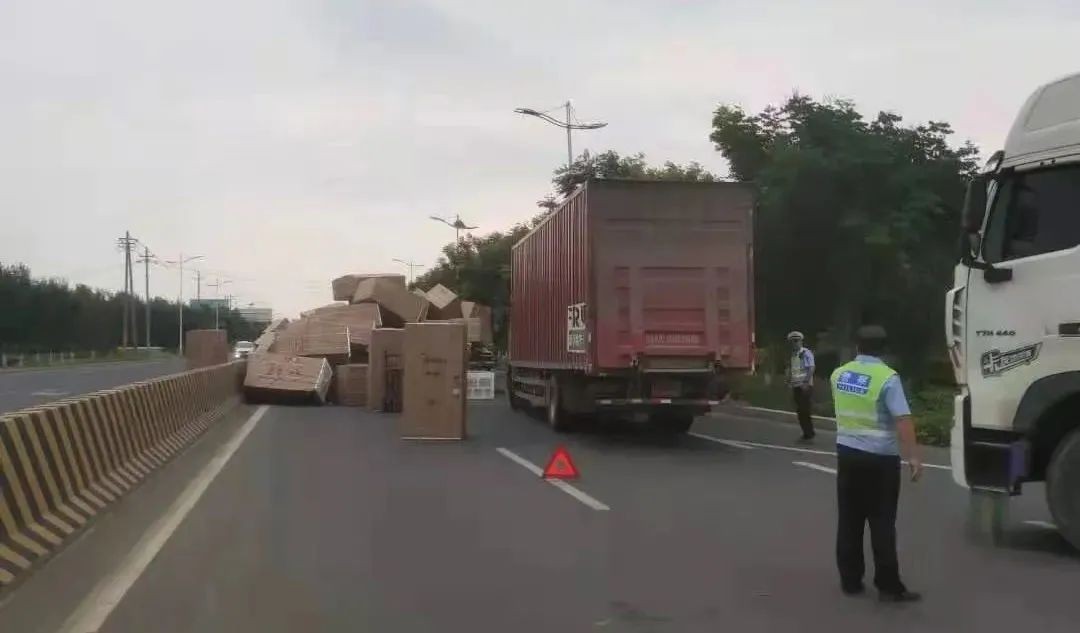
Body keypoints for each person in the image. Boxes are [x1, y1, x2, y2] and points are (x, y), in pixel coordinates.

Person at [830, 325, 922, 602]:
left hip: (847, 454)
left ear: (857, 346)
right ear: (884, 349)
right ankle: (888, 585)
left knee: (849, 519)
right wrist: (913, 456)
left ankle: (850, 581)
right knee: (882, 523)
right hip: (880, 460)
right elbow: (902, 418)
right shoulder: (887, 378)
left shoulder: (839, 374)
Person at [786, 331, 815, 442]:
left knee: (804, 410)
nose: (795, 343)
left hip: (805, 386)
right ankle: (806, 432)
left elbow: (811, 368)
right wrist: (789, 381)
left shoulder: (806, 353)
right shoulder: (794, 355)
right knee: (800, 411)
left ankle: (809, 432)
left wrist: (806, 382)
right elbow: (794, 370)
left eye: (796, 341)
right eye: (793, 341)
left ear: (801, 341)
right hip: (796, 386)